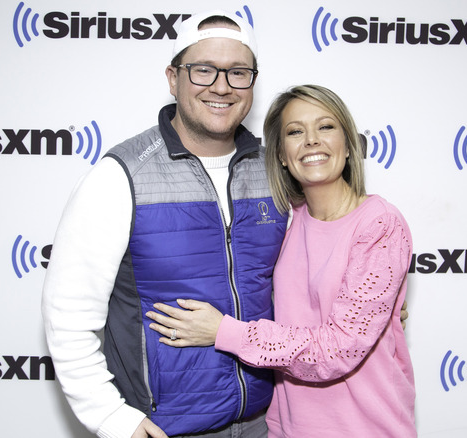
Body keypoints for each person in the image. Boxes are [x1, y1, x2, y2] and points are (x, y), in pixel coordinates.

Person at [41, 10, 288, 438]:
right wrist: (110, 417)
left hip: (268, 423)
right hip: (164, 428)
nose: (222, 86)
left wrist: (369, 296)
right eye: (203, 70)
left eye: (238, 72)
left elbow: (314, 260)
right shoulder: (121, 176)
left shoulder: (275, 169)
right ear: (173, 79)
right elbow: (69, 311)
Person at [146, 85, 416, 437]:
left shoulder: (379, 223)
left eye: (326, 127)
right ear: (282, 155)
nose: (311, 141)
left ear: (349, 145)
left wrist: (223, 331)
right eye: (295, 132)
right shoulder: (285, 219)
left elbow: (337, 350)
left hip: (365, 426)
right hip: (288, 428)